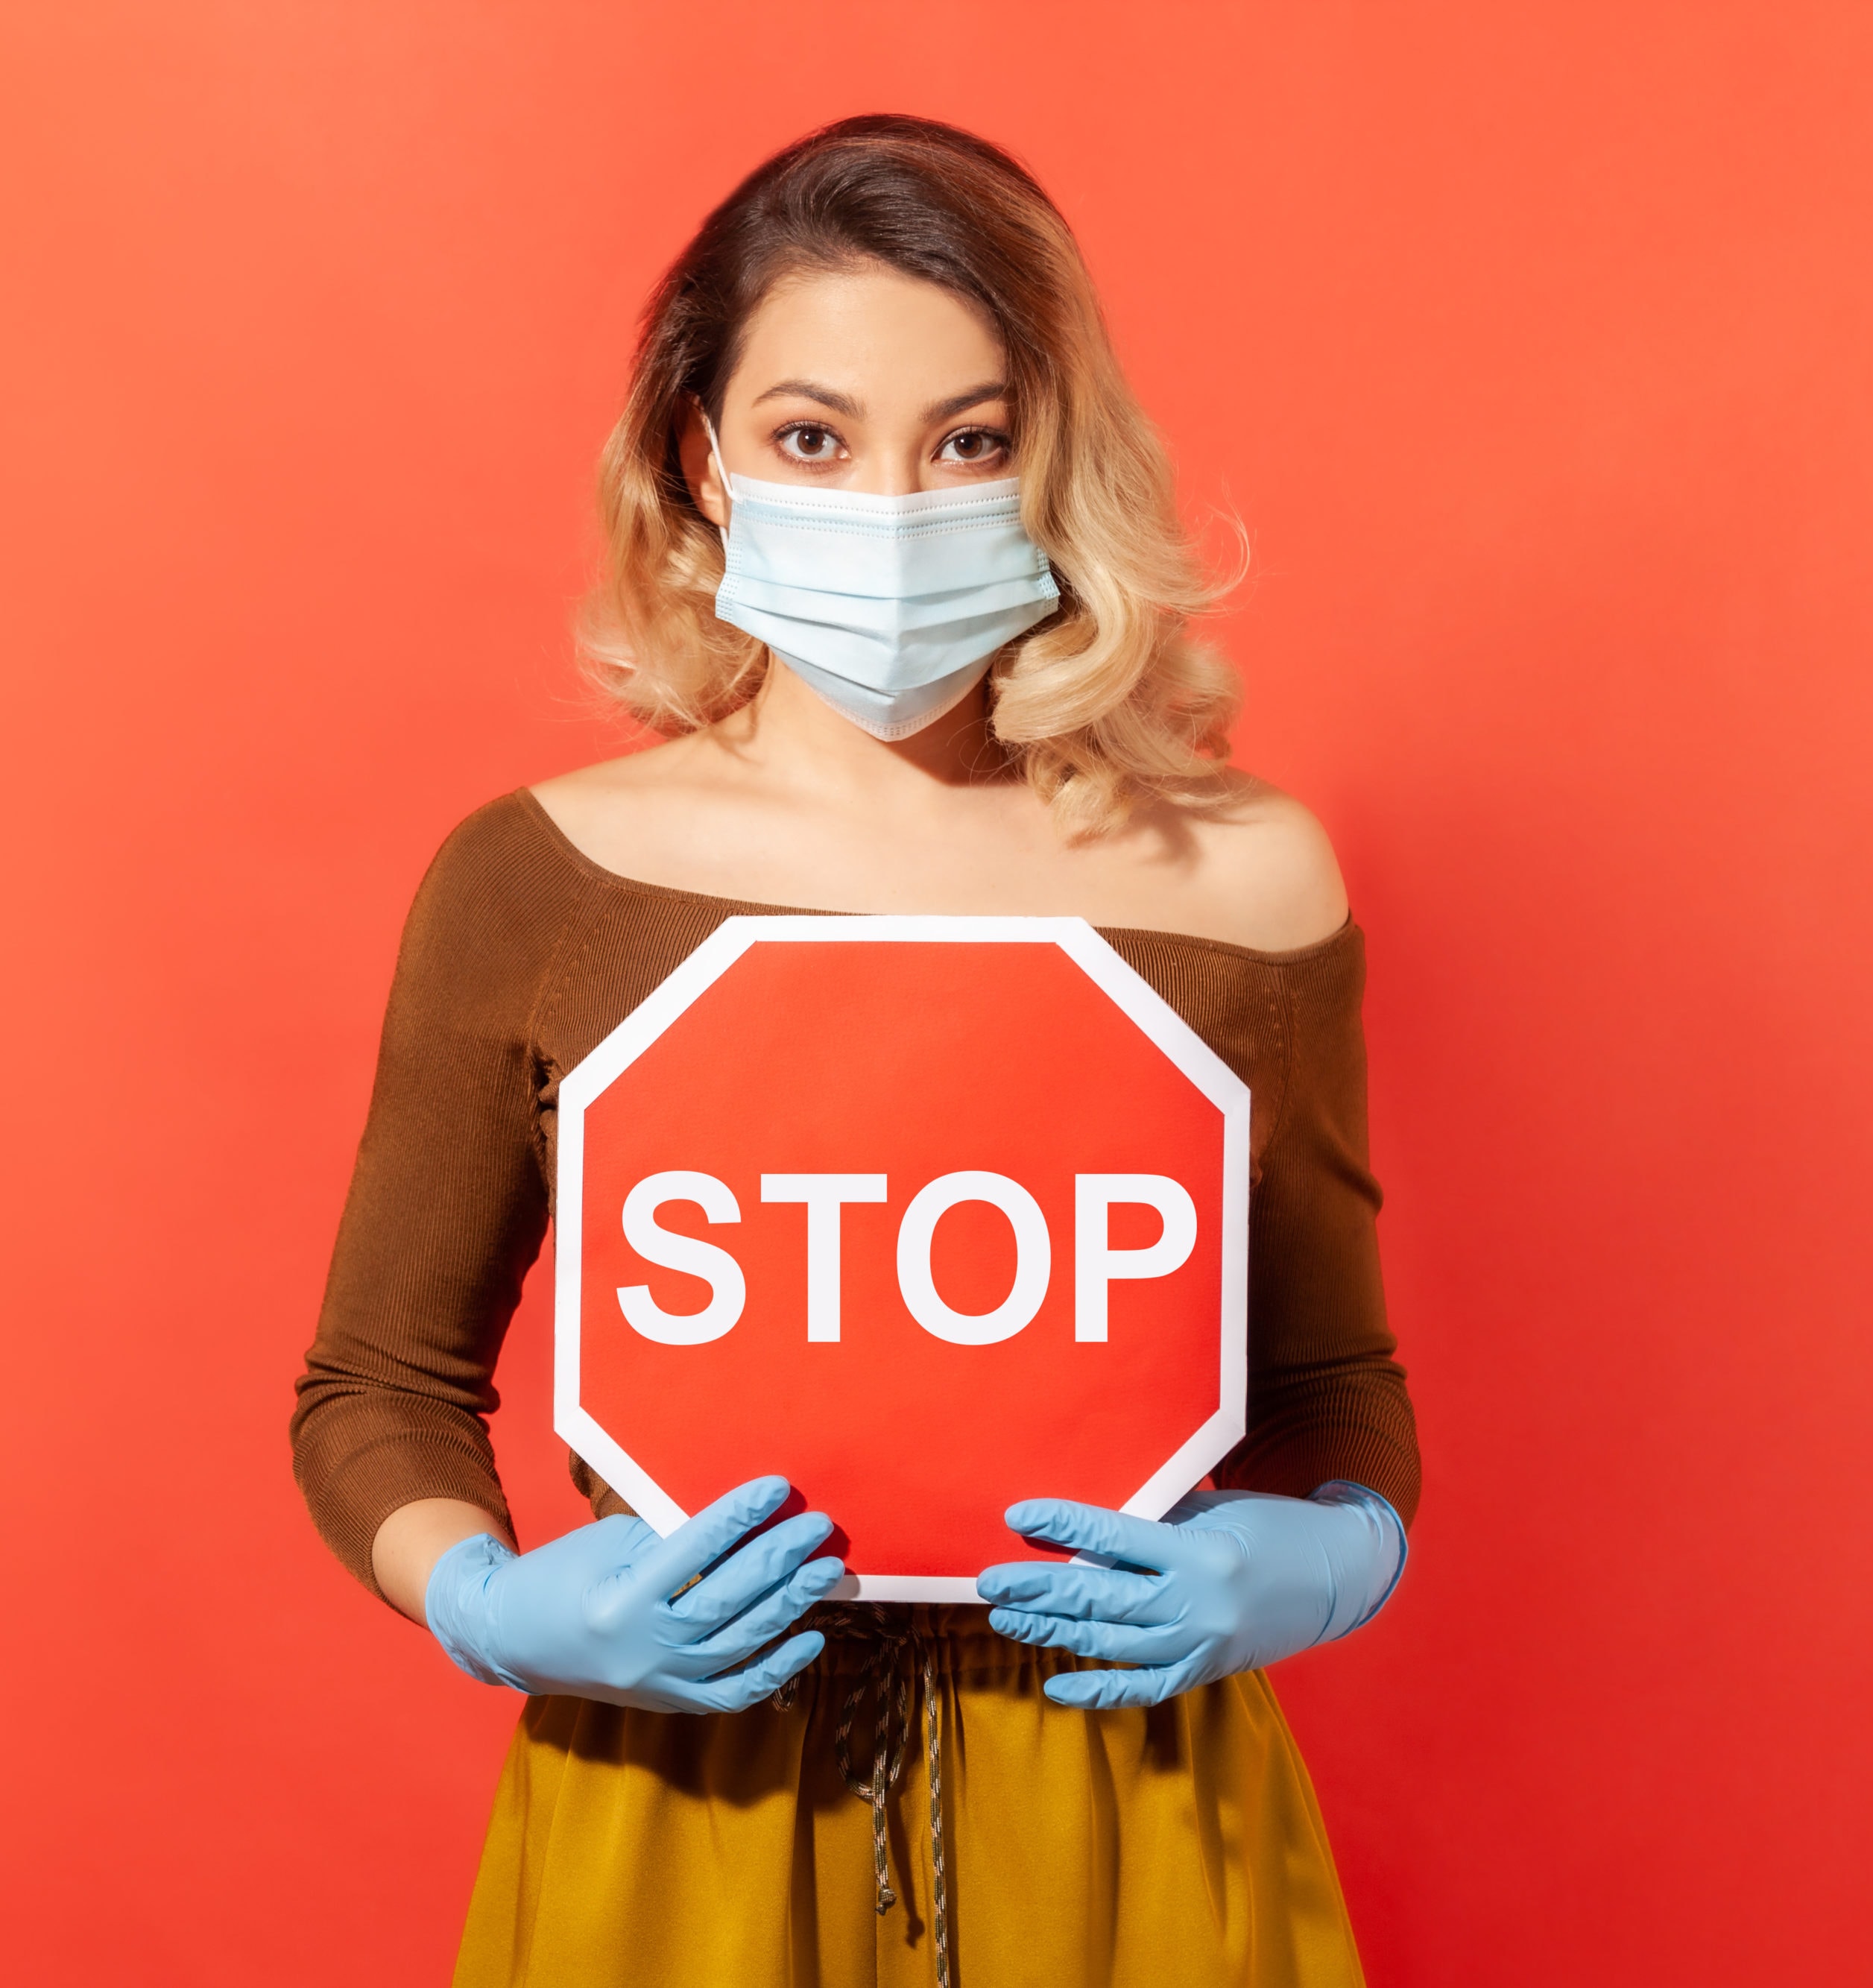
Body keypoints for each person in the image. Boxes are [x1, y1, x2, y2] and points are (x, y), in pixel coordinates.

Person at [291, 114, 1420, 1988]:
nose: (891, 508)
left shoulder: (1240, 880)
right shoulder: (546, 880)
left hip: (1128, 1810)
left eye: (967, 440)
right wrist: (490, 1599)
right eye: (812, 437)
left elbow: (1333, 1383)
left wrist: (1316, 1562)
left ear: (1053, 464)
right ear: (701, 462)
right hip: (678, 1813)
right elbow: (373, 1378)